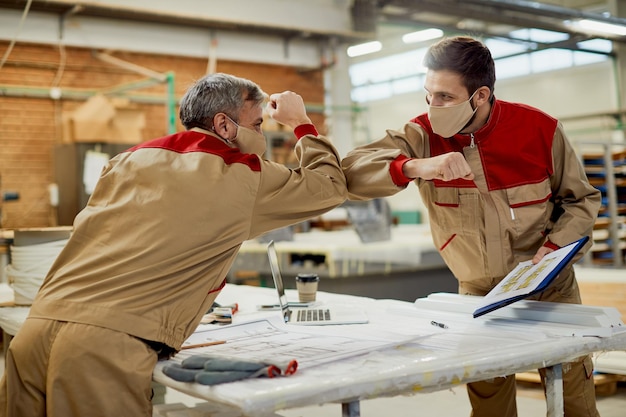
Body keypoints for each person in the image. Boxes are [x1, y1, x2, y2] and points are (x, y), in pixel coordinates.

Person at [0, 73, 347, 417]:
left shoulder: (127, 160)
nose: (260, 136)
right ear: (224, 126)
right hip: (101, 349)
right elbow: (330, 185)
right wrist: (300, 122)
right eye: (257, 125)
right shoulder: (241, 172)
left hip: (34, 334)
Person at [341, 36, 601, 417]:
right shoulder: (422, 135)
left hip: (550, 287)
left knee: (574, 398)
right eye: (427, 94)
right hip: (479, 294)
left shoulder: (539, 130)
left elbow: (581, 201)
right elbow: (350, 172)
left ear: (480, 95)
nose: (433, 106)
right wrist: (415, 166)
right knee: (490, 402)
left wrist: (552, 251)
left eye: (445, 97)